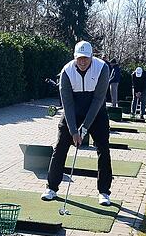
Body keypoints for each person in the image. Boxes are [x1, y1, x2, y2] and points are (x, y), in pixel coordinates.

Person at [41, 41, 113, 206]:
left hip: (97, 112)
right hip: (73, 111)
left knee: (103, 149)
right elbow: (67, 103)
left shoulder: (102, 68)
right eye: (79, 58)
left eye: (85, 59)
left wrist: (85, 128)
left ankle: (104, 192)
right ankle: (51, 188)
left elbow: (98, 100)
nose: (82, 62)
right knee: (60, 148)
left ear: (91, 57)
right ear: (74, 57)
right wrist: (74, 131)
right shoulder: (66, 71)